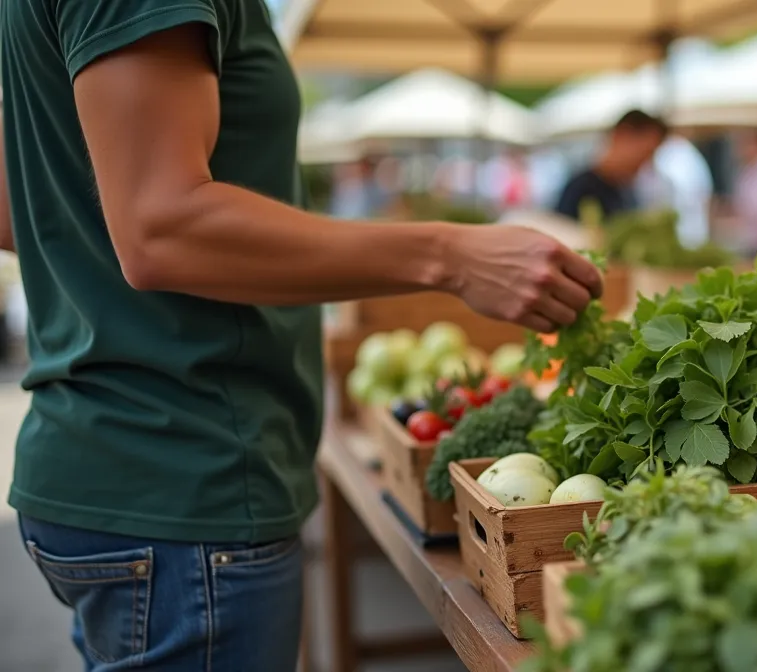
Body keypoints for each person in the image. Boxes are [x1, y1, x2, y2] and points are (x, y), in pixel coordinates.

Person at [0, 4, 603, 670]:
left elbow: (20, 202)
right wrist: (450, 255)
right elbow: (159, 227)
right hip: (185, 472)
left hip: (106, 462)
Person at [553, 110, 668, 221]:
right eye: (644, 152)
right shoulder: (580, 189)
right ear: (622, 135)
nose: (643, 163)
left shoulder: (628, 193)